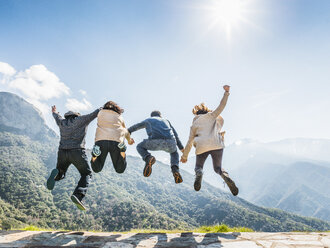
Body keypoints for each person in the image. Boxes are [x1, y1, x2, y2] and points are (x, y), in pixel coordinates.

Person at [180, 85, 238, 196]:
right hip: (217, 145)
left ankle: (199, 173)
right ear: (206, 111)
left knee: (198, 166)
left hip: (202, 146)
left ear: (196, 114)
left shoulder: (194, 124)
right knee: (218, 168)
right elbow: (222, 106)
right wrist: (226, 92)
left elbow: (189, 142)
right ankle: (224, 175)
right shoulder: (212, 116)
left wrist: (184, 157)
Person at [46, 105, 101, 211]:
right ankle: (78, 194)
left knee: (61, 172)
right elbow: (94, 114)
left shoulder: (62, 122)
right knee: (86, 174)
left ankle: (56, 176)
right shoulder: (81, 120)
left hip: (62, 152)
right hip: (77, 152)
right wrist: (103, 107)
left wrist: (54, 112)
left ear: (67, 116)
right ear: (76, 115)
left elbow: (57, 117)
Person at [128, 111, 184, 184]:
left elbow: (135, 127)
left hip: (155, 142)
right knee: (174, 153)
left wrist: (128, 132)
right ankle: (175, 170)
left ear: (152, 116)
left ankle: (148, 158)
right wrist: (182, 149)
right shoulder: (166, 121)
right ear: (160, 116)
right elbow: (176, 136)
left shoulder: (148, 120)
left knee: (139, 146)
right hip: (171, 143)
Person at [91, 101, 134, 174]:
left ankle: (95, 156)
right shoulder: (119, 117)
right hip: (116, 142)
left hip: (101, 141)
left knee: (96, 169)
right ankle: (122, 151)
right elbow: (125, 131)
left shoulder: (100, 113)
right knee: (120, 169)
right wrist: (129, 141)